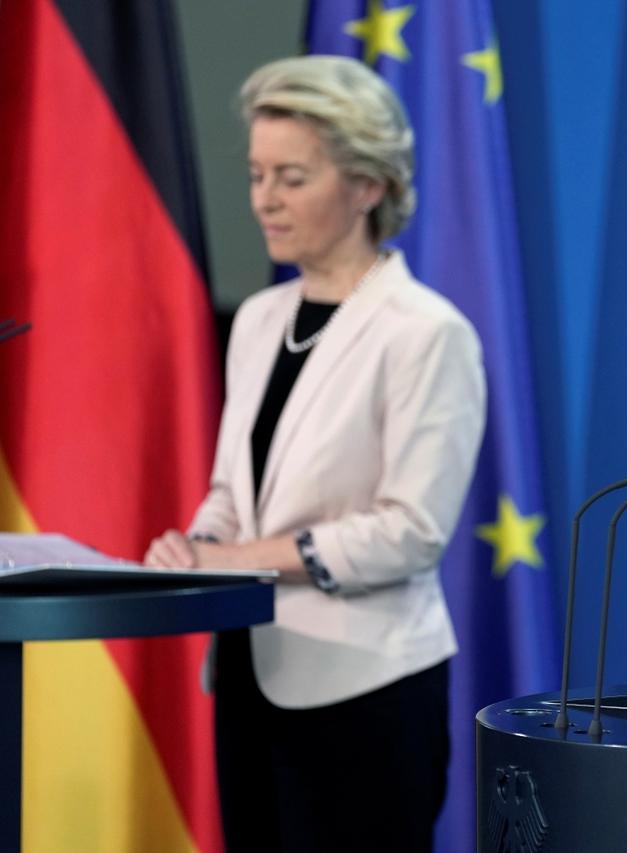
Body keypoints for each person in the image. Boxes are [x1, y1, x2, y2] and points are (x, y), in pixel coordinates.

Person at [144, 55, 485, 852]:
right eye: (259, 174)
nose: (264, 199)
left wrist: (231, 556)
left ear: (368, 185)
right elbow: (235, 489)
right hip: (247, 675)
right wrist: (195, 545)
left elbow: (411, 530)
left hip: (367, 690)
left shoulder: (427, 333)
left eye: (291, 177)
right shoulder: (261, 319)